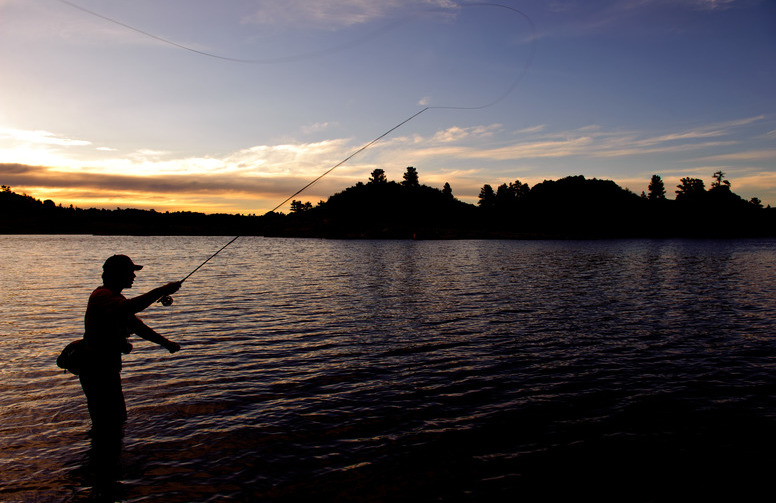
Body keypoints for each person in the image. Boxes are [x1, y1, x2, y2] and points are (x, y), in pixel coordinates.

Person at [80, 254, 182, 437]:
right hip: (97, 370)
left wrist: (167, 344)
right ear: (117, 274)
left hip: (106, 369)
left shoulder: (115, 299)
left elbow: (137, 326)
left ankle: (104, 459)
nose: (134, 276)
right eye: (130, 272)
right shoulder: (102, 296)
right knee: (107, 423)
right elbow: (130, 308)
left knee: (115, 421)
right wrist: (162, 290)